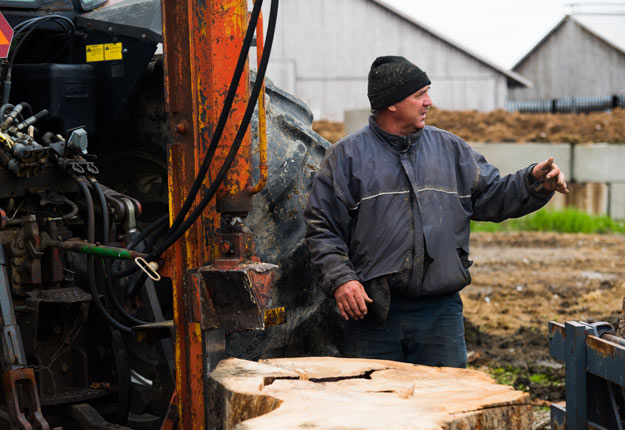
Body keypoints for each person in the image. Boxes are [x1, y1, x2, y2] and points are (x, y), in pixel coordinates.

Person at [304, 56, 569, 368]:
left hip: (440, 315)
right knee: (375, 409)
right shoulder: (346, 157)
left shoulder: (450, 149)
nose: (428, 102)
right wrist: (341, 279)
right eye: (419, 95)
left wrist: (533, 182)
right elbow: (322, 229)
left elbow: (491, 195)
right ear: (391, 103)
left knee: (447, 406)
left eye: (427, 92)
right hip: (374, 315)